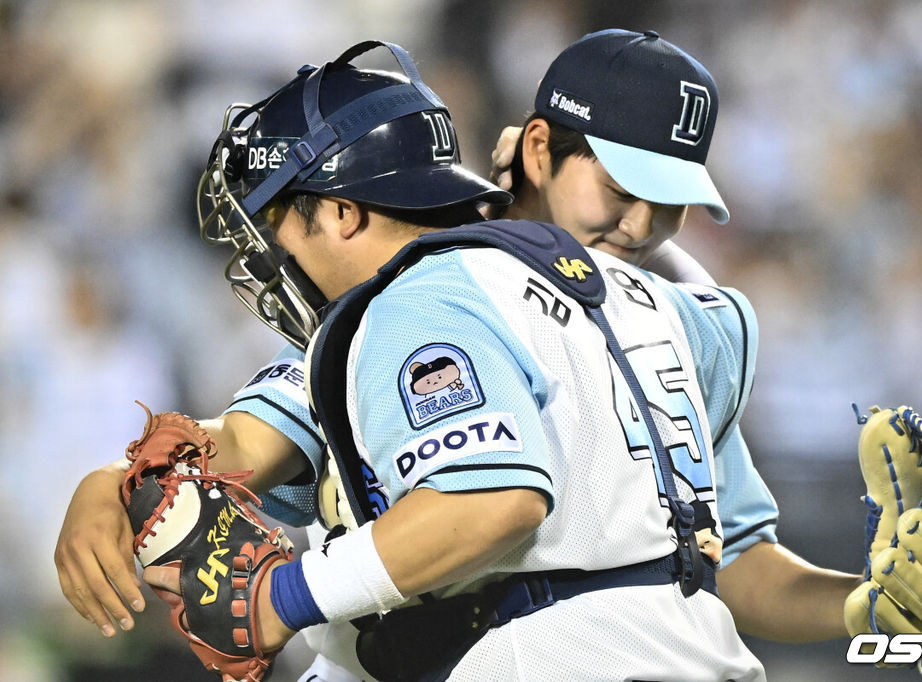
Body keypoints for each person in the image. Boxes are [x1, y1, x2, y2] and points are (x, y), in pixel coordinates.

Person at [58, 34, 772, 681]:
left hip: (548, 650)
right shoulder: (644, 305)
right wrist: (113, 480)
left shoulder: (417, 299)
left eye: (277, 229)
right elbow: (248, 440)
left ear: (339, 211)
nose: (274, 258)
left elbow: (491, 500)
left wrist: (282, 597)